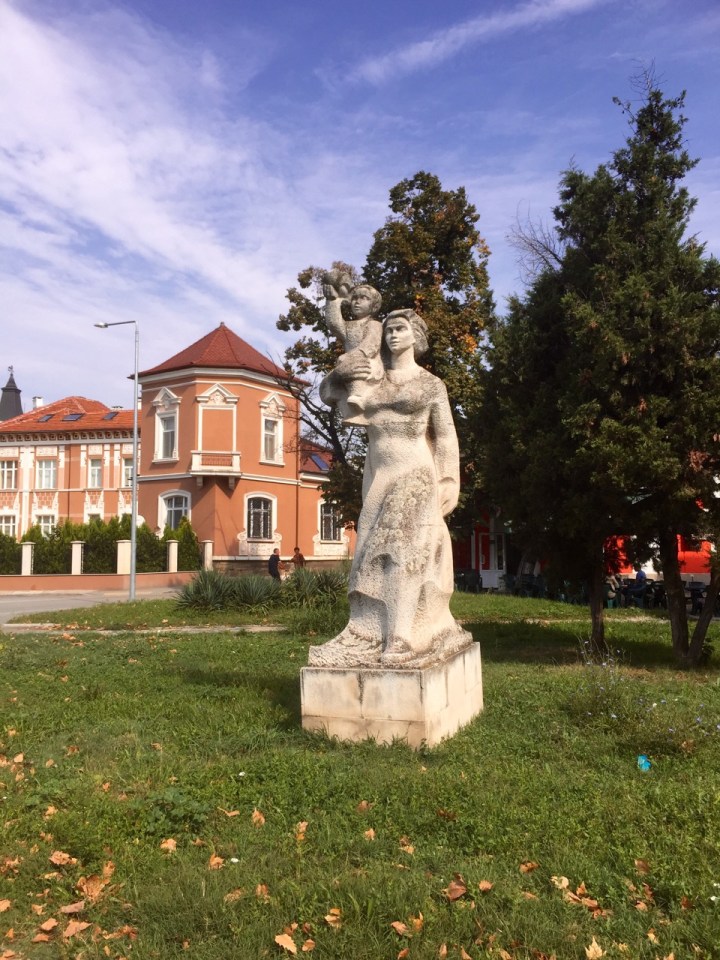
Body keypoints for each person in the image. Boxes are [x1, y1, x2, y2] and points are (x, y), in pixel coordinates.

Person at [309, 308, 472, 669]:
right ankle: (367, 631)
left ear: (416, 336)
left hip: (416, 473)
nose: (392, 336)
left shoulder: (431, 385)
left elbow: (445, 436)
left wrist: (449, 480)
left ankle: (400, 636)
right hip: (379, 478)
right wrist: (339, 370)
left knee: (402, 550)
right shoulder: (372, 381)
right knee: (370, 553)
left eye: (400, 329)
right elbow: (328, 393)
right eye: (389, 330)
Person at [321, 271, 383, 423]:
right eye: (355, 298)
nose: (357, 301)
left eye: (364, 298)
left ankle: (358, 399)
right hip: (348, 363)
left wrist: (354, 355)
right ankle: (351, 411)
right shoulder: (349, 326)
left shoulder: (374, 324)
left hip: (368, 363)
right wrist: (332, 300)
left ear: (374, 306)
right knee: (336, 379)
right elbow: (335, 324)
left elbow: (371, 344)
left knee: (354, 367)